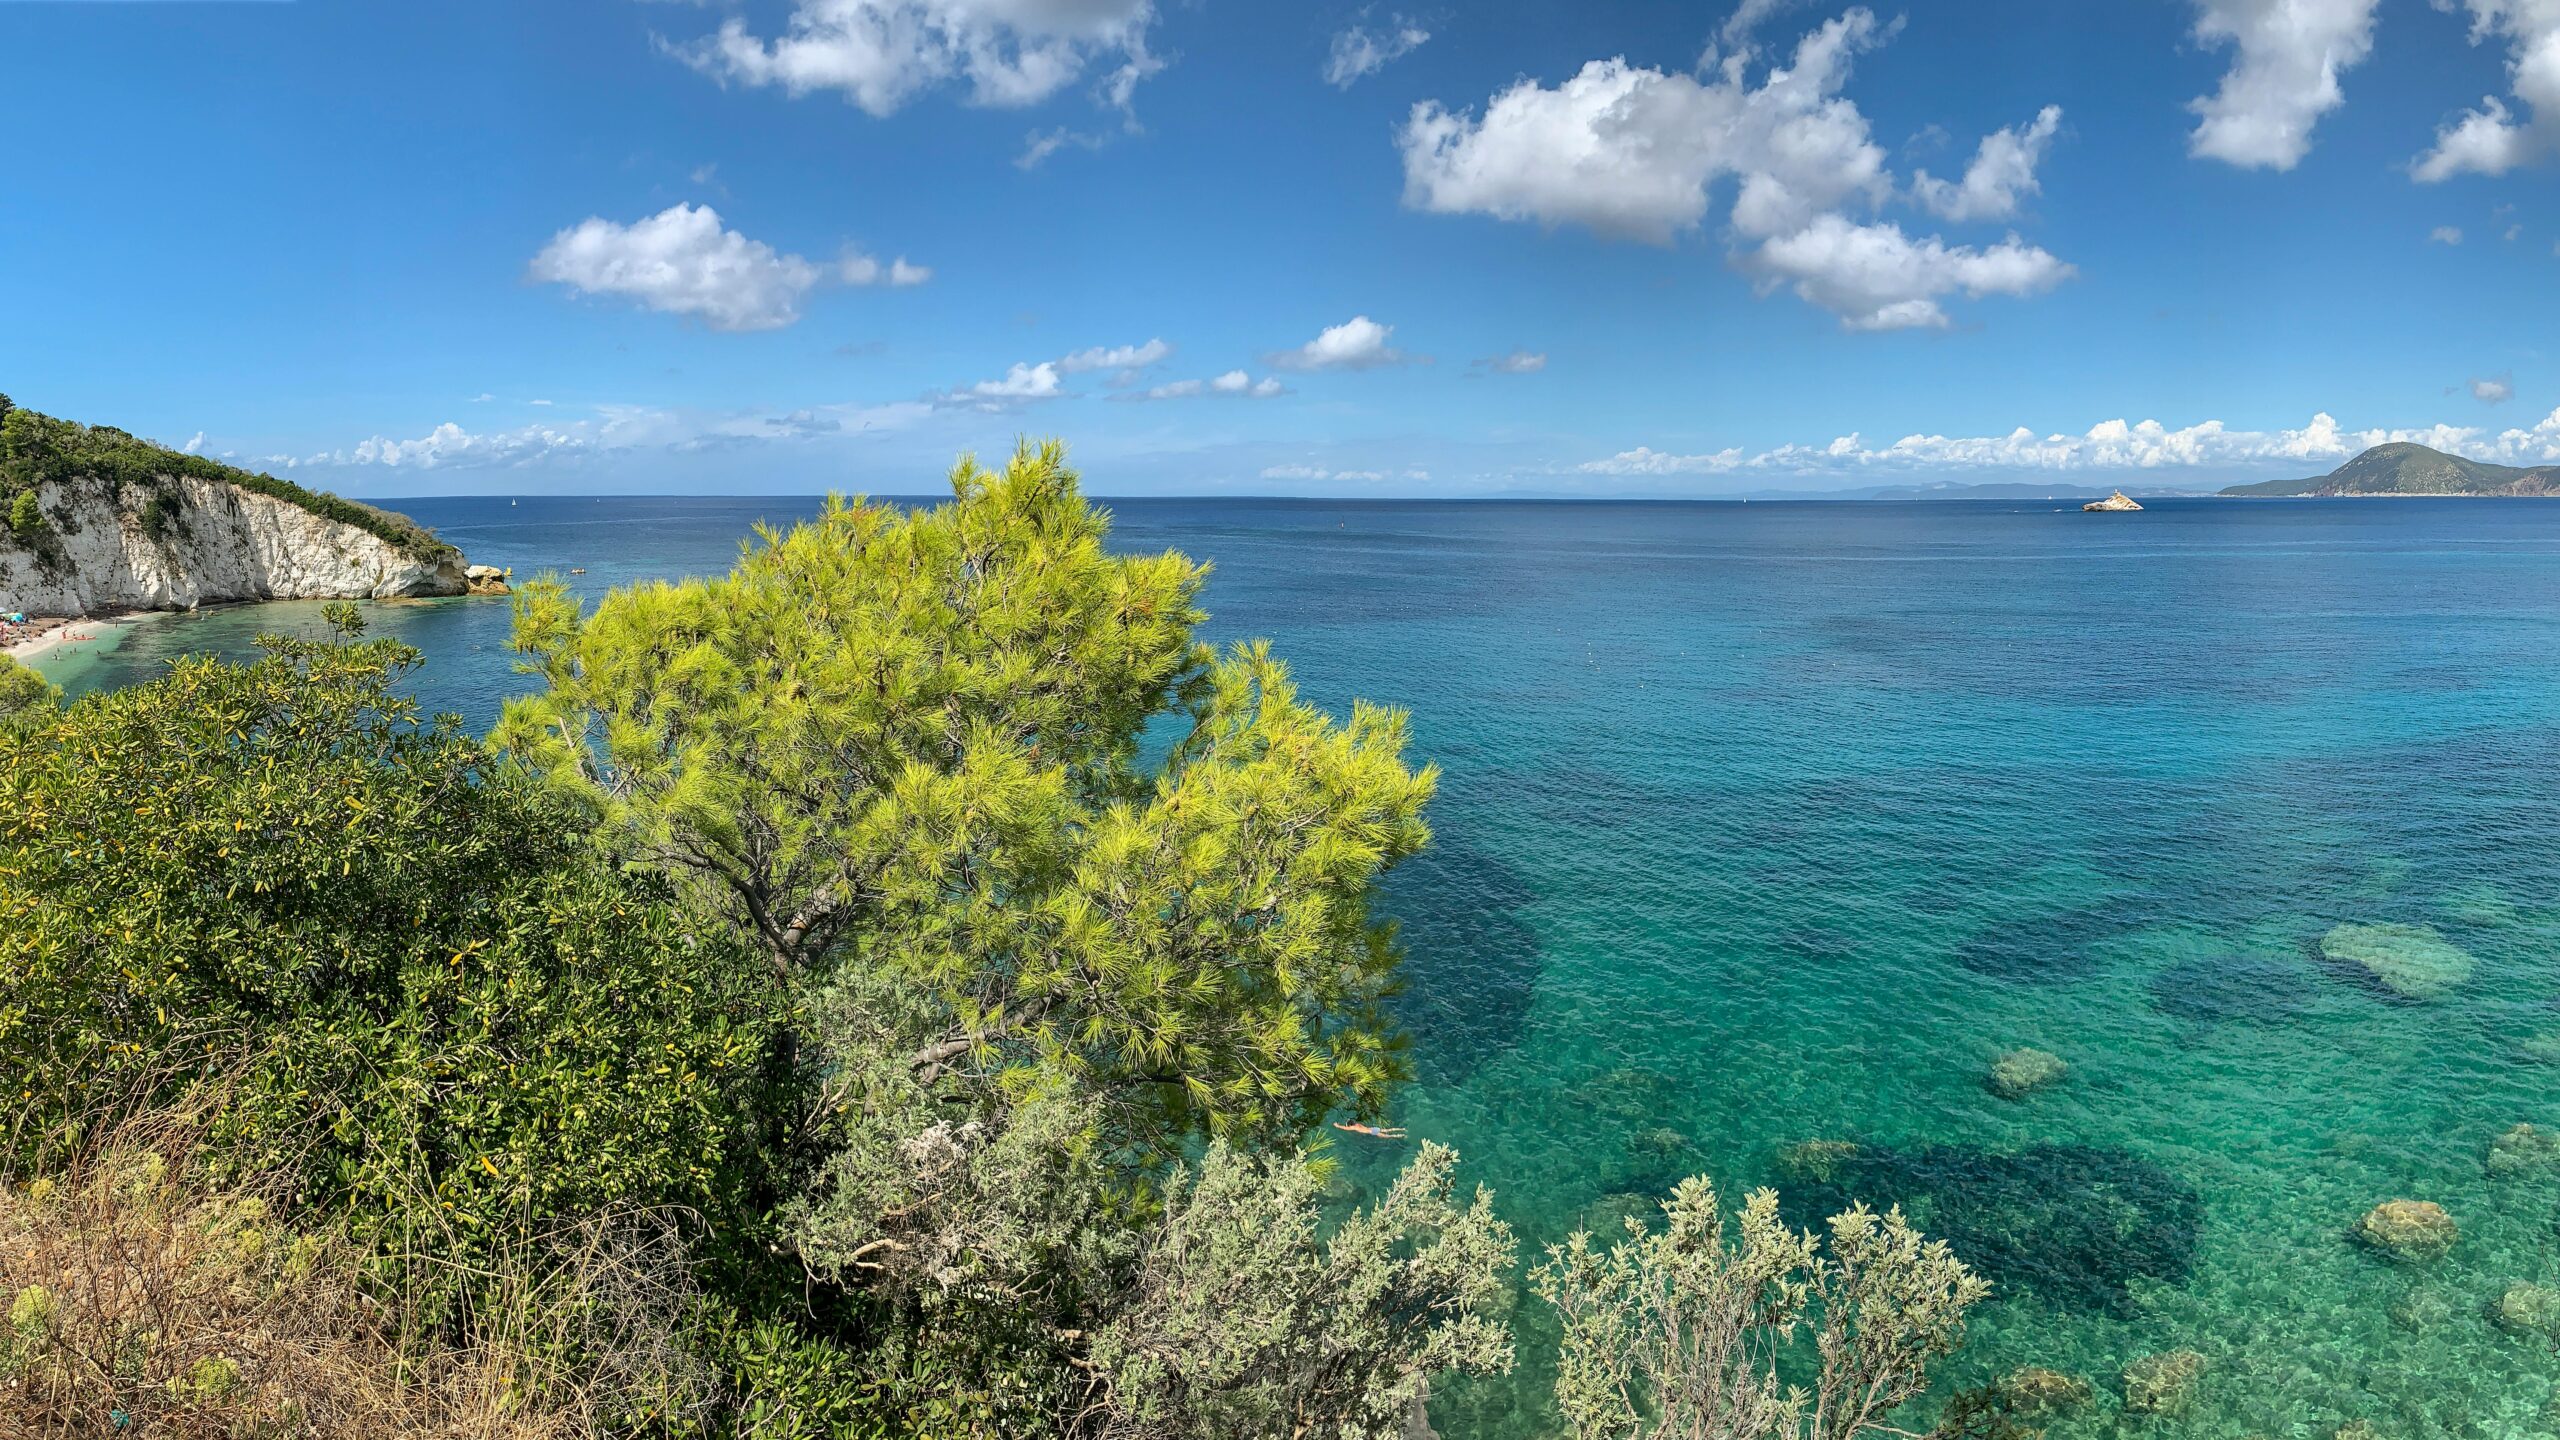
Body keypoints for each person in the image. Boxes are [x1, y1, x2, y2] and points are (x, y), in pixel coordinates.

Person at [1331, 1121, 1407, 1139]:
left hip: (1372, 1131)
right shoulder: (1357, 1124)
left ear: (1351, 1125)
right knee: (1388, 1130)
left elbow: (1345, 1128)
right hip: (1373, 1128)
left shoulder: (1354, 1127)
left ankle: (1401, 1135)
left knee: (1387, 1136)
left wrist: (1337, 1126)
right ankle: (1402, 1129)